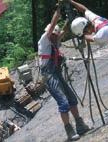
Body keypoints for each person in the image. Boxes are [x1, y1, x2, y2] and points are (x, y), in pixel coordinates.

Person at [38, 7, 90, 141]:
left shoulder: (55, 41)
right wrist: (58, 12)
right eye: (56, 34)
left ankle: (80, 125)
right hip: (49, 76)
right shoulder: (45, 40)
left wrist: (69, 19)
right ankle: (69, 131)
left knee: (72, 99)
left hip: (57, 73)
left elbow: (64, 32)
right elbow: (53, 27)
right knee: (64, 103)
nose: (57, 36)